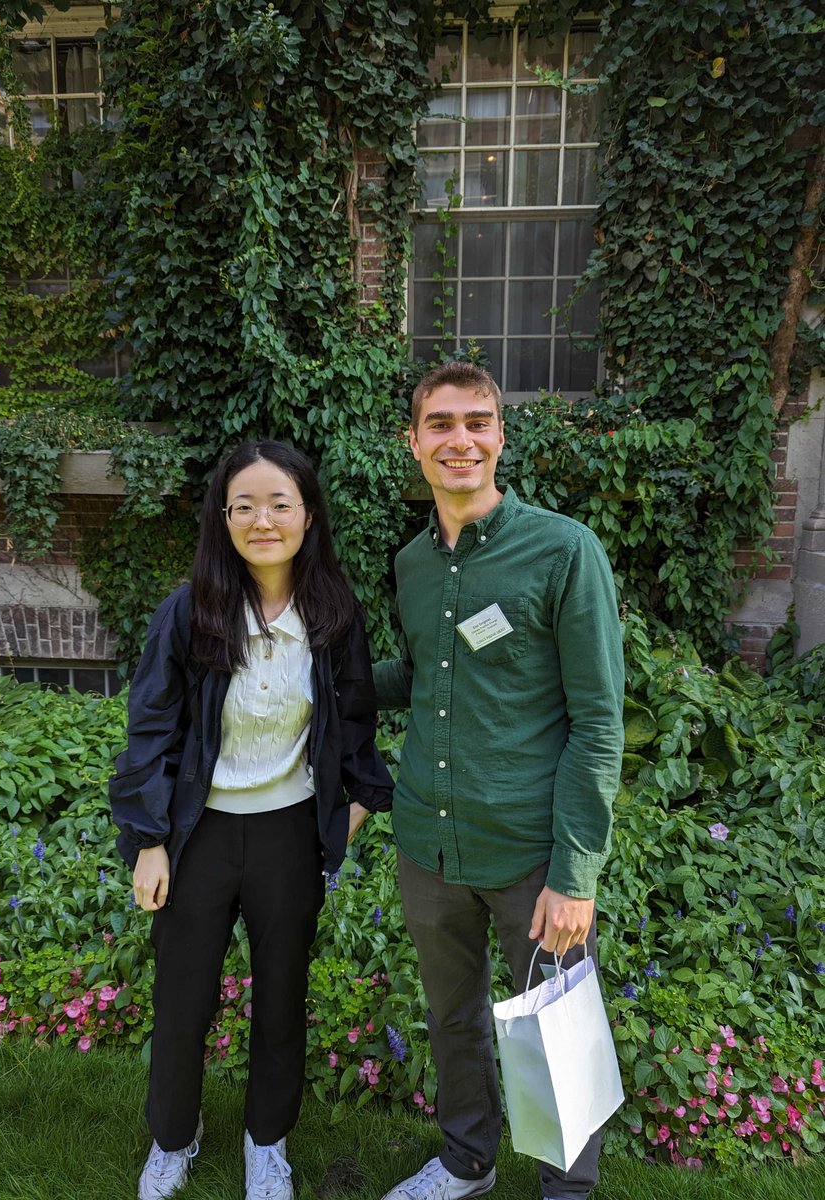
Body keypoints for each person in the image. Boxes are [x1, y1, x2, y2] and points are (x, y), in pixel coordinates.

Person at [110, 440, 394, 1200]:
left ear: (307, 514)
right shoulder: (190, 610)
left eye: (279, 503)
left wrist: (345, 820)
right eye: (244, 505)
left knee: (279, 1000)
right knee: (183, 999)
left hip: (288, 837)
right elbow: (151, 731)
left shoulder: (333, 611)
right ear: (222, 517)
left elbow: (357, 725)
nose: (261, 519)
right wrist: (148, 842)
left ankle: (266, 1143)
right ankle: (174, 1138)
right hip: (197, 836)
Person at [374, 362, 624, 1200]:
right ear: (413, 443)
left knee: (555, 1030)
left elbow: (598, 723)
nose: (461, 438)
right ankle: (466, 1161)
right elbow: (420, 674)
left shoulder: (563, 550)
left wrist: (574, 874)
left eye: (477, 421)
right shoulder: (410, 564)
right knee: (453, 1020)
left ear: (500, 437)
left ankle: (567, 1192)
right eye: (440, 424)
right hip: (429, 844)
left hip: (527, 854)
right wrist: (314, 671)